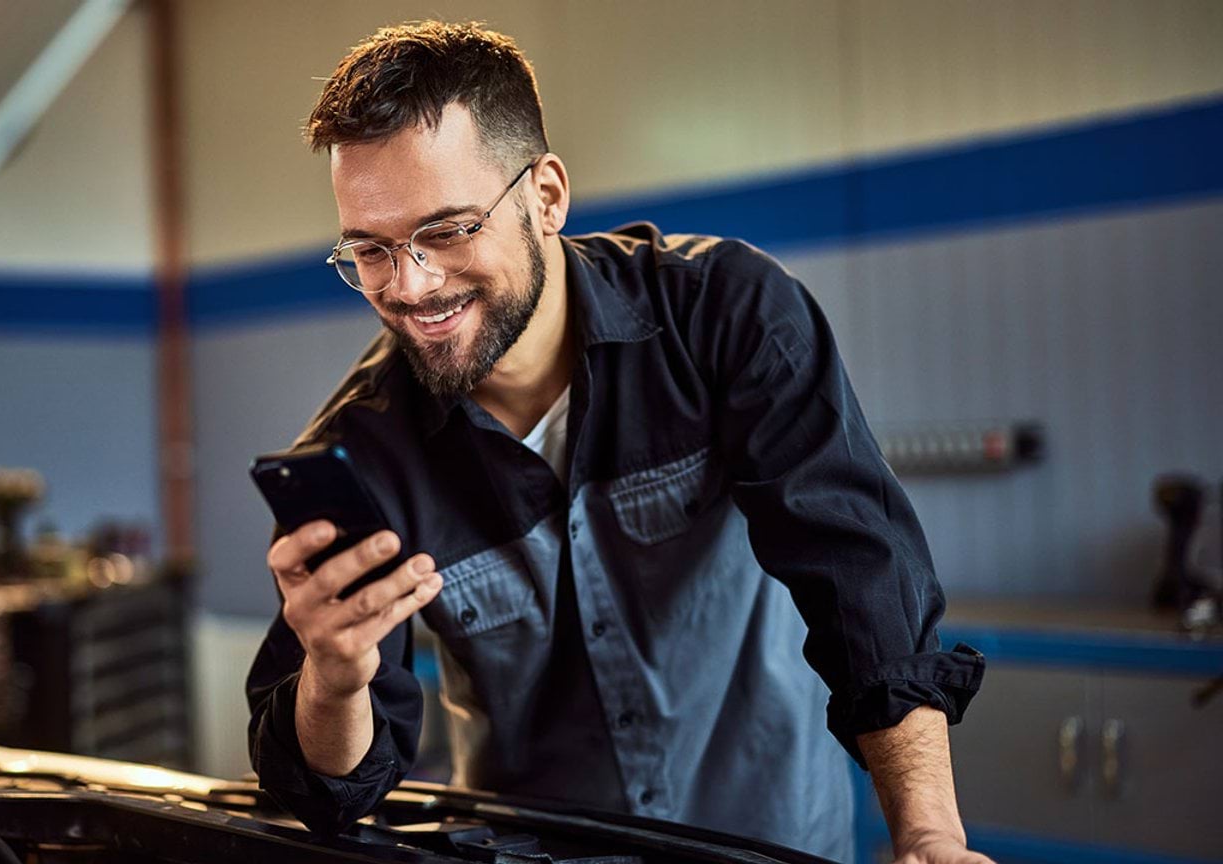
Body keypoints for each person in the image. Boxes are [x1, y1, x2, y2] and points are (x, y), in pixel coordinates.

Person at [246, 21, 989, 864]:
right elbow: (333, 789)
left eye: (448, 231)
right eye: (371, 250)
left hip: (767, 841)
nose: (411, 285)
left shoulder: (728, 317)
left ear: (547, 197)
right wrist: (334, 678)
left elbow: (862, 581)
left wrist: (927, 833)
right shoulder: (364, 454)